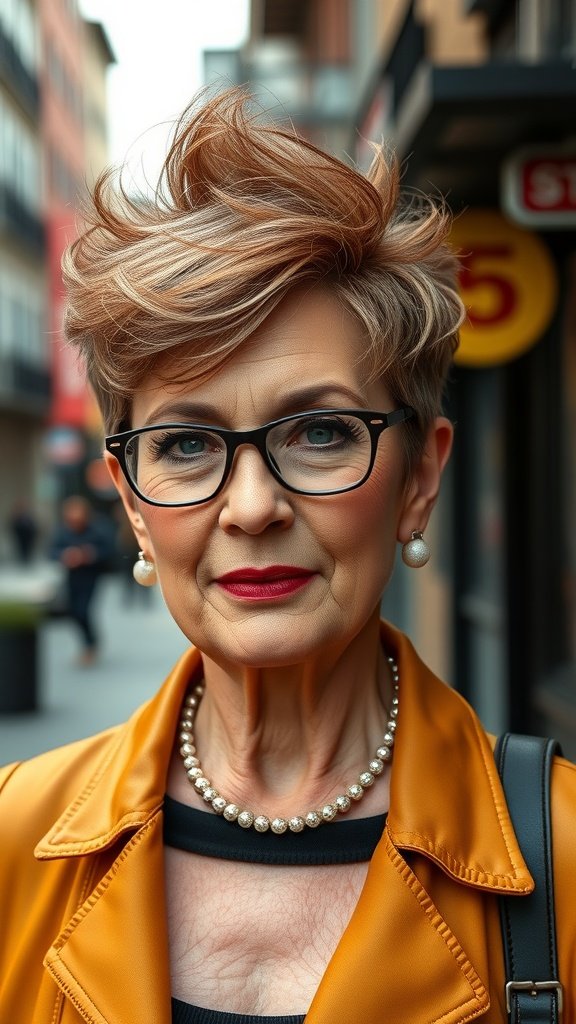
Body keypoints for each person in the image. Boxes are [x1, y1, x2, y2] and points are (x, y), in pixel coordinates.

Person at [1, 89, 575, 1024]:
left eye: (319, 432)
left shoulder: (563, 856)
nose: (254, 506)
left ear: (420, 479)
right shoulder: (14, 842)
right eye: (186, 446)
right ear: (133, 506)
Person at [49, 495, 113, 665]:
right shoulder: (63, 531)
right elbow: (51, 551)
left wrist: (89, 555)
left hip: (91, 576)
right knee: (73, 612)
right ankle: (90, 641)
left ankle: (90, 644)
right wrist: (65, 555)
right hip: (72, 577)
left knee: (83, 610)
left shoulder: (97, 529)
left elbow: (109, 551)